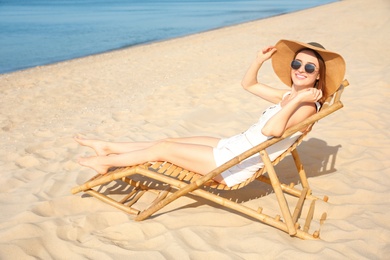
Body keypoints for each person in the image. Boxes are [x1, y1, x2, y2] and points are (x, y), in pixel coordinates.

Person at [75, 39, 345, 187]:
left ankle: (107, 162)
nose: (300, 69)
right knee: (175, 141)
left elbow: (271, 131)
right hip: (235, 145)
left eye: (309, 68)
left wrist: (297, 104)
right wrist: (258, 60)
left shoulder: (306, 105)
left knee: (165, 147)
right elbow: (248, 84)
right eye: (298, 63)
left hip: (235, 164)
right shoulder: (292, 96)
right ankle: (107, 147)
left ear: (318, 76)